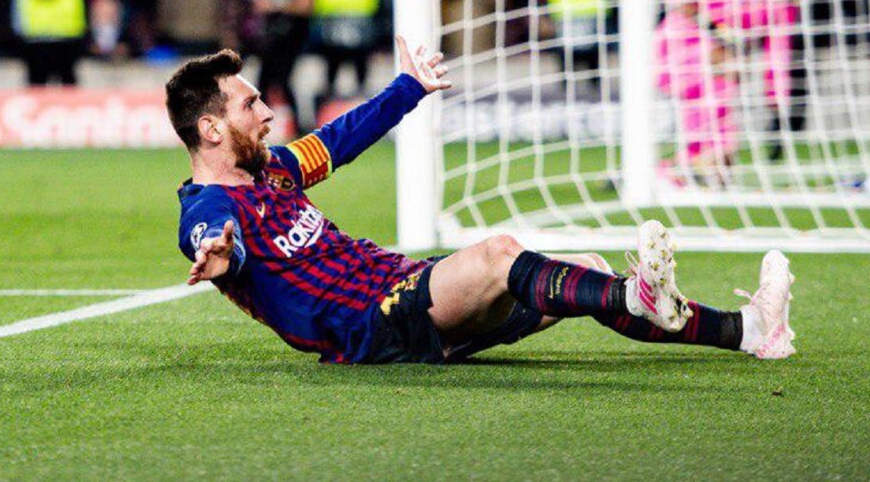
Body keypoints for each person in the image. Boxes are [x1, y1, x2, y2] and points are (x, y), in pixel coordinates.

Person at [167, 35, 798, 365]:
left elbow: (341, 139)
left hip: (404, 291)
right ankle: (642, 298)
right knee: (500, 255)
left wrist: (408, 87)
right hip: (371, 321)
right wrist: (219, 254)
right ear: (212, 128)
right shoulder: (208, 210)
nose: (268, 112)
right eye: (251, 105)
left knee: (585, 270)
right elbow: (213, 238)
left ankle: (748, 331)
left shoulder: (276, 171)